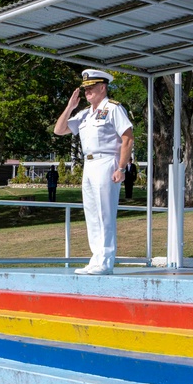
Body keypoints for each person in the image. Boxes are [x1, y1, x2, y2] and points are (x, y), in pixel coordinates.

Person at [53, 69, 134, 275]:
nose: (87, 91)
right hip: (88, 165)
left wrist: (121, 168)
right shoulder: (85, 114)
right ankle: (96, 259)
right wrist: (70, 107)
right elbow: (59, 130)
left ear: (102, 87)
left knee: (104, 214)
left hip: (106, 162)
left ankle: (106, 262)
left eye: (91, 88)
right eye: (85, 89)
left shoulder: (113, 108)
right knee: (92, 214)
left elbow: (127, 138)